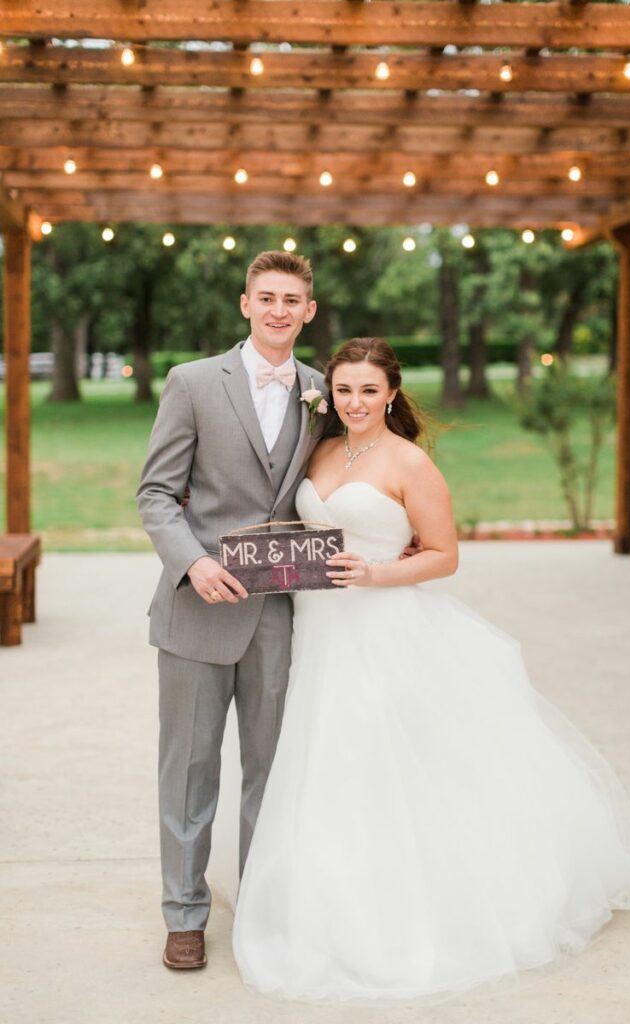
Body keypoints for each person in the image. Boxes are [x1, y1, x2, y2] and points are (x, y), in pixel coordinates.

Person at [231, 336, 630, 1002]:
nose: (355, 402)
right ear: (329, 394)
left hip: (382, 630)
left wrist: (375, 573)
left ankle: (408, 912)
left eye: (369, 390)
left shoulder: (408, 463)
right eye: (343, 390)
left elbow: (443, 555)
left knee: (385, 765)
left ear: (391, 394)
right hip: (319, 632)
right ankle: (327, 901)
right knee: (325, 765)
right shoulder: (319, 452)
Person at [136, 251, 325, 970]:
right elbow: (156, 493)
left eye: (292, 300)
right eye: (266, 297)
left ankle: (263, 911)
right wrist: (193, 560)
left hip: (279, 612)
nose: (279, 310)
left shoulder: (321, 391)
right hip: (198, 611)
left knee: (270, 772)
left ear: (308, 312)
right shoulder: (191, 382)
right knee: (188, 769)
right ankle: (184, 915)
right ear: (244, 305)